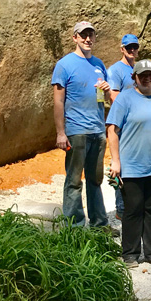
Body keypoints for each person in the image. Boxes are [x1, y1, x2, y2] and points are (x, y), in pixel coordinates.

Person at [106, 60, 151, 268]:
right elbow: (112, 130)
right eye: (141, 75)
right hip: (131, 166)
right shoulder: (124, 99)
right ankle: (130, 253)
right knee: (133, 209)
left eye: (150, 75)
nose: (146, 78)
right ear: (134, 78)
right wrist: (116, 161)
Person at [52, 21, 111, 230]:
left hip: (97, 130)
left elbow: (106, 100)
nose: (88, 39)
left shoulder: (99, 64)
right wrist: (61, 133)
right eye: (83, 35)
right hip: (77, 131)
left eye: (91, 35)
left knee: (95, 180)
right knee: (74, 180)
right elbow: (58, 101)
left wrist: (106, 91)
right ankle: (74, 226)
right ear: (74, 37)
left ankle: (99, 224)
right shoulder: (65, 65)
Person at [108, 33, 140, 221]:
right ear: (122, 49)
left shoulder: (137, 68)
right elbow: (114, 96)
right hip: (123, 123)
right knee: (119, 163)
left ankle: (131, 204)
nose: (132, 51)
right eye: (128, 48)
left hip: (136, 124)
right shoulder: (115, 70)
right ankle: (121, 208)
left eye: (134, 47)